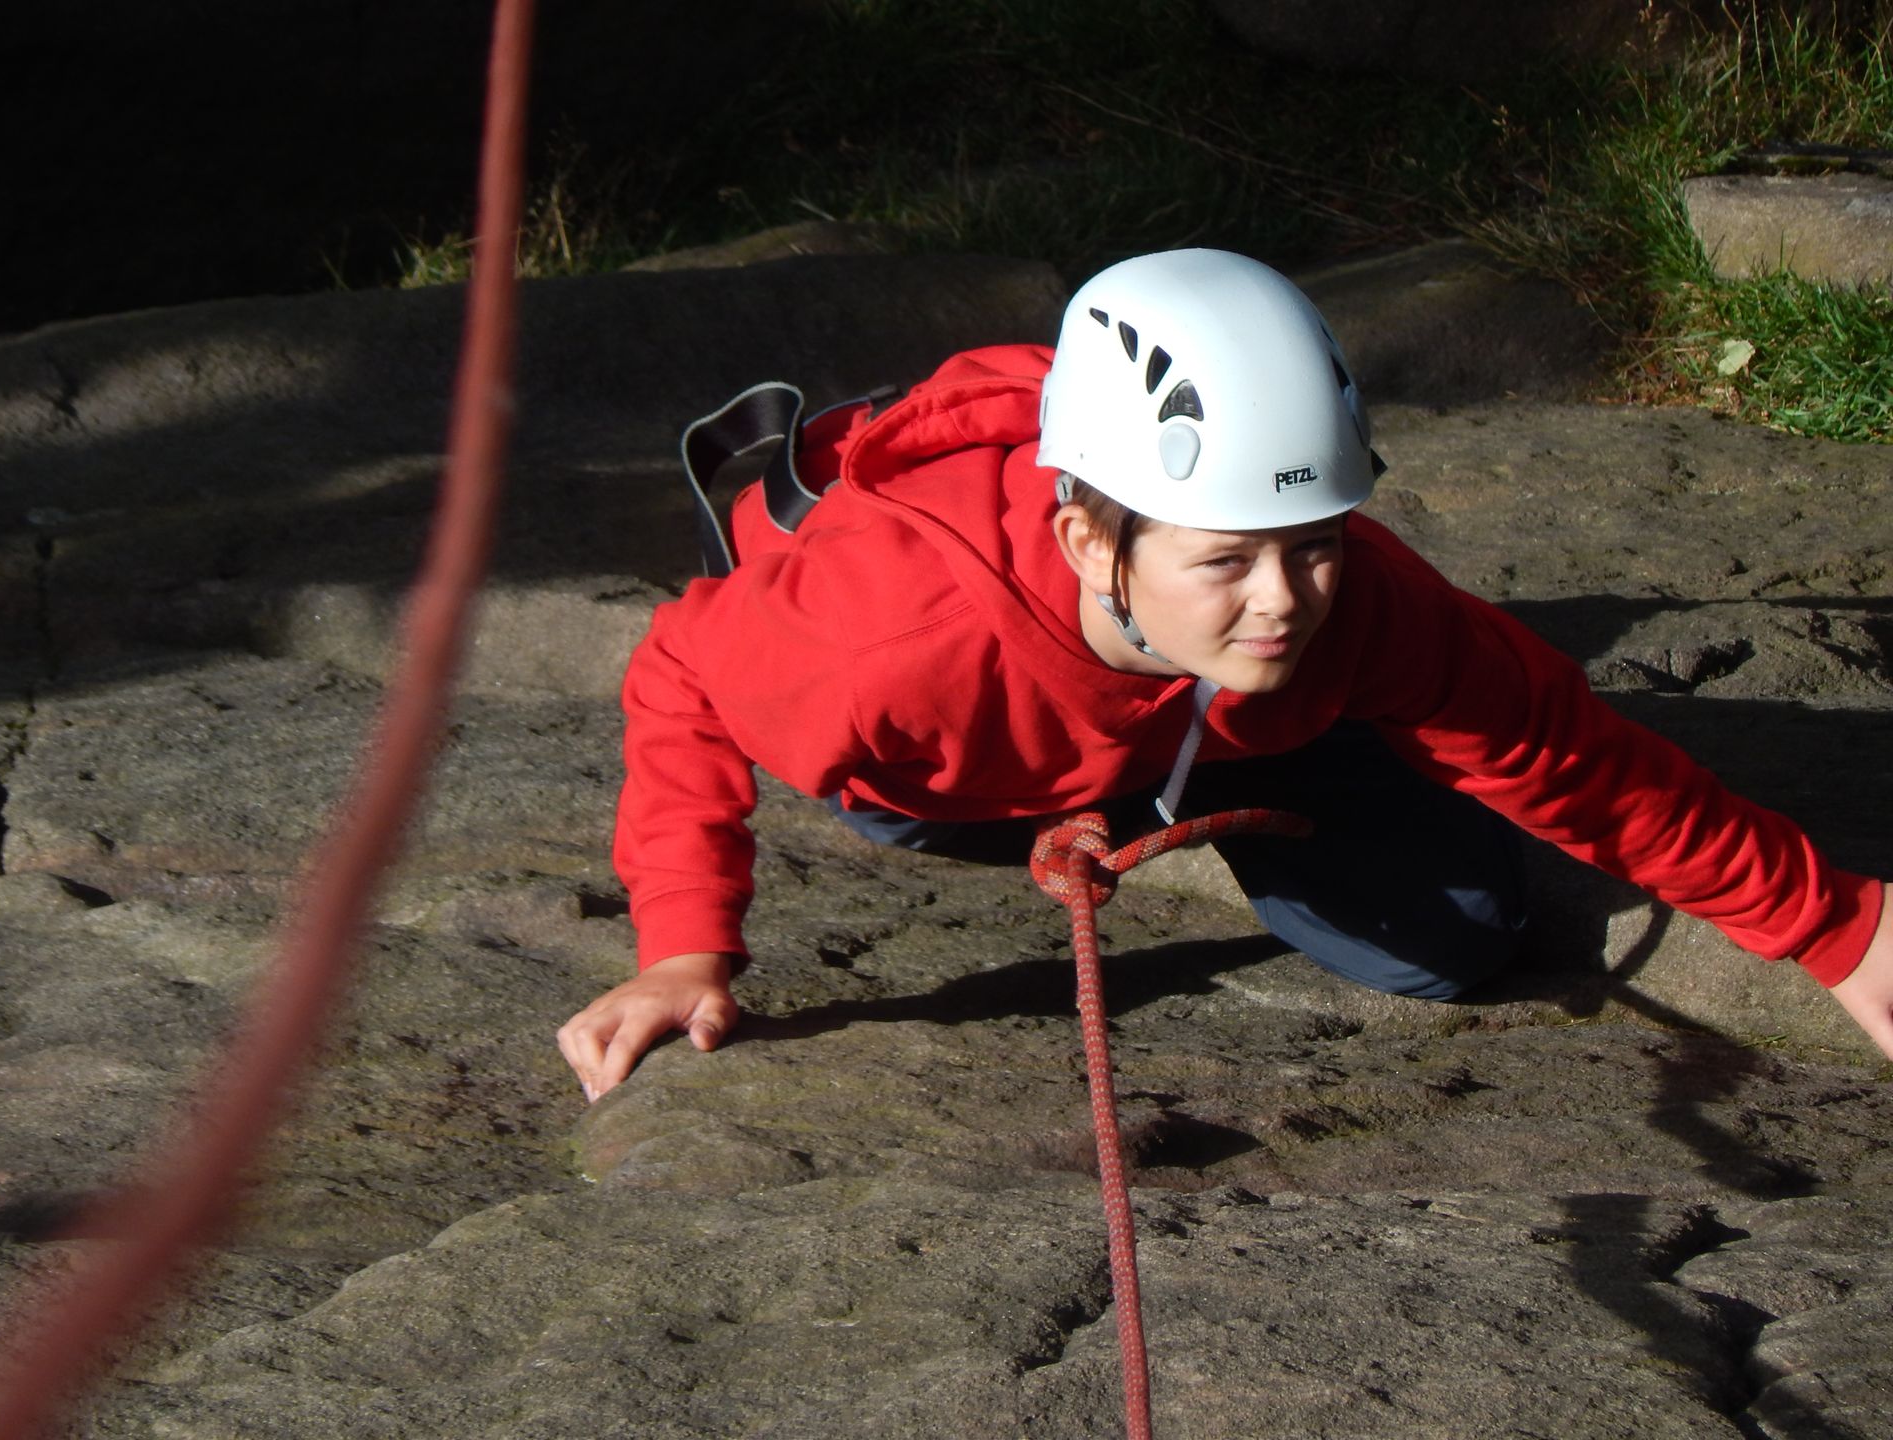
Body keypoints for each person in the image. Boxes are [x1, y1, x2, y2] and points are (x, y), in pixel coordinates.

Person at [557, 248, 1893, 1102]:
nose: (1287, 600)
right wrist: (684, 946)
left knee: (1456, 940)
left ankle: (1174, 775)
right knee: (903, 804)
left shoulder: (1351, 603)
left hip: (1206, 723)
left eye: (1314, 548)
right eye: (1231, 560)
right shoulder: (882, 659)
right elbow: (680, 673)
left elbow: (1573, 763)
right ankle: (1110, 781)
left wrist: (1841, 928)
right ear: (1089, 534)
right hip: (960, 739)